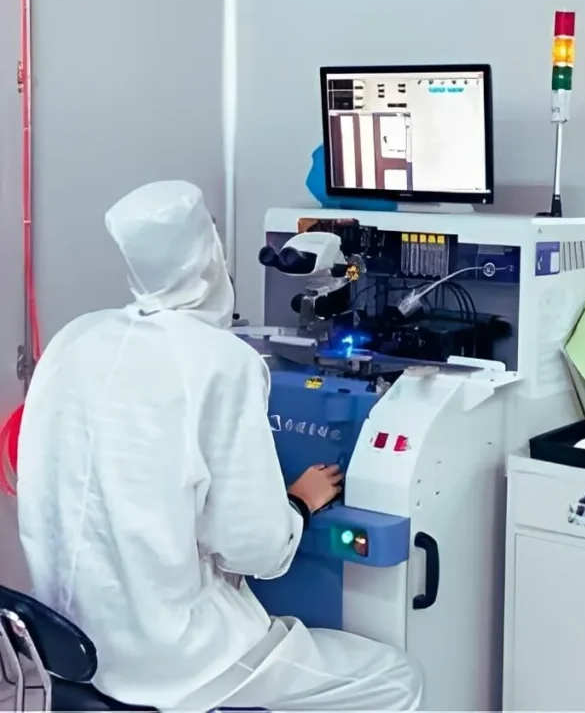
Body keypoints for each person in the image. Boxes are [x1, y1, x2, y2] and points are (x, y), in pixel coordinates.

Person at [16, 181, 423, 710]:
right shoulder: (221, 361)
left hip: (62, 642)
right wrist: (299, 501)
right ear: (208, 254)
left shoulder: (75, 338)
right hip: (176, 657)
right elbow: (256, 548)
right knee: (396, 678)